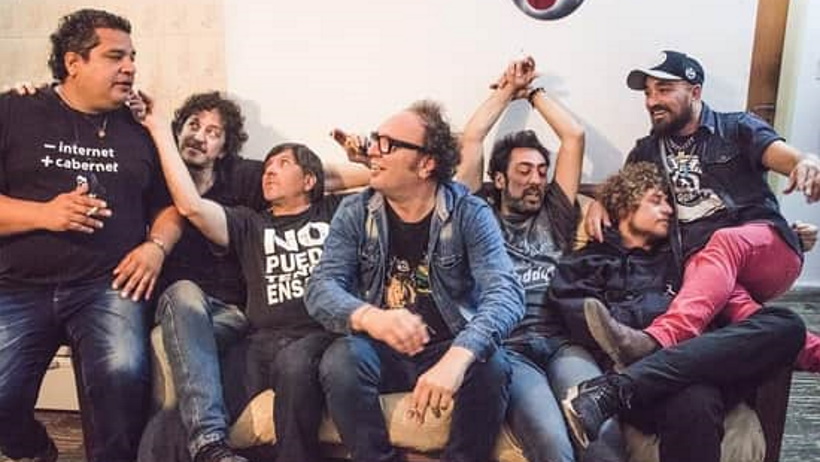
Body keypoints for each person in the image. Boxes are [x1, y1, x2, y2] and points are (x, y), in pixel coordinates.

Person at [136, 90, 369, 462]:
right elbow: (192, 208)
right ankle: (208, 445)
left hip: (316, 334)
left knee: (295, 366)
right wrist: (158, 127)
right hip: (258, 339)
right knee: (169, 425)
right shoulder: (248, 222)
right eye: (268, 164)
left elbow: (400, 186)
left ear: (309, 180)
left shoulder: (336, 210)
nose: (269, 171)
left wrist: (370, 161)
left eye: (282, 164)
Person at [0, 9, 181, 462]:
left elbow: (171, 207)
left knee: (122, 377)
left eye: (132, 57)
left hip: (108, 285)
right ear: (73, 62)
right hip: (17, 285)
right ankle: (34, 449)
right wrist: (44, 214)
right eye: (115, 57)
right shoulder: (15, 110)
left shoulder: (141, 127)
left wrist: (156, 247)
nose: (130, 67)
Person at [305, 100, 525, 462]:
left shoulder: (469, 212)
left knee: (493, 366)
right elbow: (320, 287)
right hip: (382, 349)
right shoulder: (356, 211)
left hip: (447, 344)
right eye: (375, 139)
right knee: (341, 359)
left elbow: (507, 293)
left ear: (426, 164)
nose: (373, 151)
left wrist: (458, 358)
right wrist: (370, 317)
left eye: (388, 144)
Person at [552, 162, 807, 462]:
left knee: (788, 324)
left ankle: (613, 391)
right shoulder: (584, 264)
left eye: (669, 202)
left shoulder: (686, 256)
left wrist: (792, 238)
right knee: (695, 399)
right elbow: (585, 322)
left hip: (707, 359)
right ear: (623, 206)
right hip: (651, 377)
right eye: (656, 201)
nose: (669, 210)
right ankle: (628, 378)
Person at [583, 50, 820, 371]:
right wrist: (602, 200)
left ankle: (656, 340)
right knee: (743, 314)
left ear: (695, 92)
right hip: (704, 265)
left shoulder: (736, 128)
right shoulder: (646, 151)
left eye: (664, 90)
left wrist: (806, 162)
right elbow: (623, 191)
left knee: (723, 242)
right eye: (648, 93)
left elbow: (787, 157)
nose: (652, 101)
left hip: (764, 248)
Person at [456, 57, 624, 462]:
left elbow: (574, 136)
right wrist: (506, 91)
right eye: (525, 170)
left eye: (542, 171)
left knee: (602, 431)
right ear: (499, 179)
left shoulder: (556, 212)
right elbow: (472, 140)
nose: (536, 179)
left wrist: (532, 92)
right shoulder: (477, 214)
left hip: (563, 344)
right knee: (552, 443)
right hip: (510, 349)